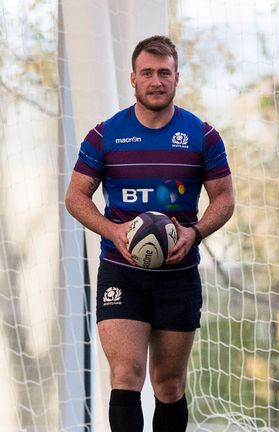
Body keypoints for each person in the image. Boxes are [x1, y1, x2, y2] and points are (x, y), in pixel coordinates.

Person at [65, 35, 234, 432]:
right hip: (121, 271)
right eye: (147, 73)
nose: (155, 81)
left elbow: (224, 199)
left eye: (164, 72)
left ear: (177, 78)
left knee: (168, 384)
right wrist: (113, 230)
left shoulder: (202, 135)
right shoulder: (105, 135)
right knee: (126, 374)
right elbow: (75, 196)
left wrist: (195, 232)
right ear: (133, 78)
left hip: (178, 276)